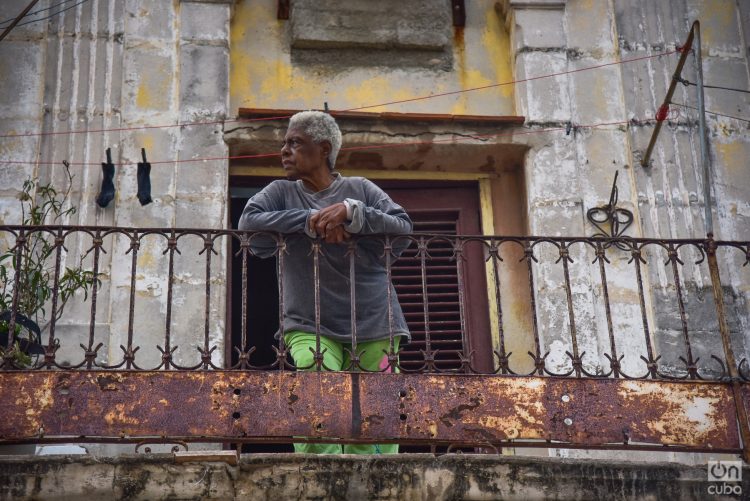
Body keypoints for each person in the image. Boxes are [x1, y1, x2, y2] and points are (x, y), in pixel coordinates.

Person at [238, 110, 413, 454]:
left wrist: (352, 213)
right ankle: (321, 475)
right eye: (284, 143)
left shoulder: (359, 189)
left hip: (375, 319)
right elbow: (248, 225)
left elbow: (403, 227)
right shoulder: (279, 192)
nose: (284, 151)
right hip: (308, 321)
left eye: (294, 142)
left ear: (323, 149)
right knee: (317, 385)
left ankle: (374, 481)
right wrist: (309, 219)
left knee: (376, 406)